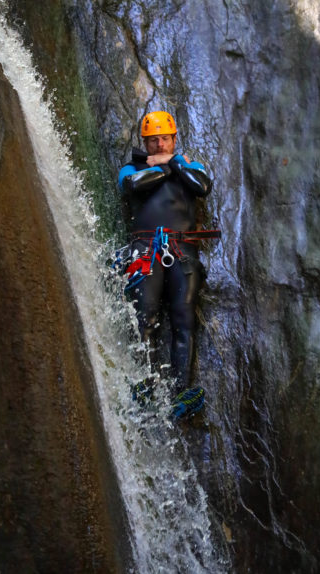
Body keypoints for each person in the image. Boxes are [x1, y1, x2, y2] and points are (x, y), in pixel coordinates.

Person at [118, 111, 219, 418]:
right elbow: (131, 185)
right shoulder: (131, 168)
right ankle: (144, 384)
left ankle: (182, 392)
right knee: (144, 315)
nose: (159, 144)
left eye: (165, 138)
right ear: (144, 142)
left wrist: (172, 163)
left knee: (183, 320)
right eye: (153, 140)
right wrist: (167, 168)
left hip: (182, 249)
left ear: (174, 138)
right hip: (145, 248)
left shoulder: (189, 165)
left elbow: (202, 185)